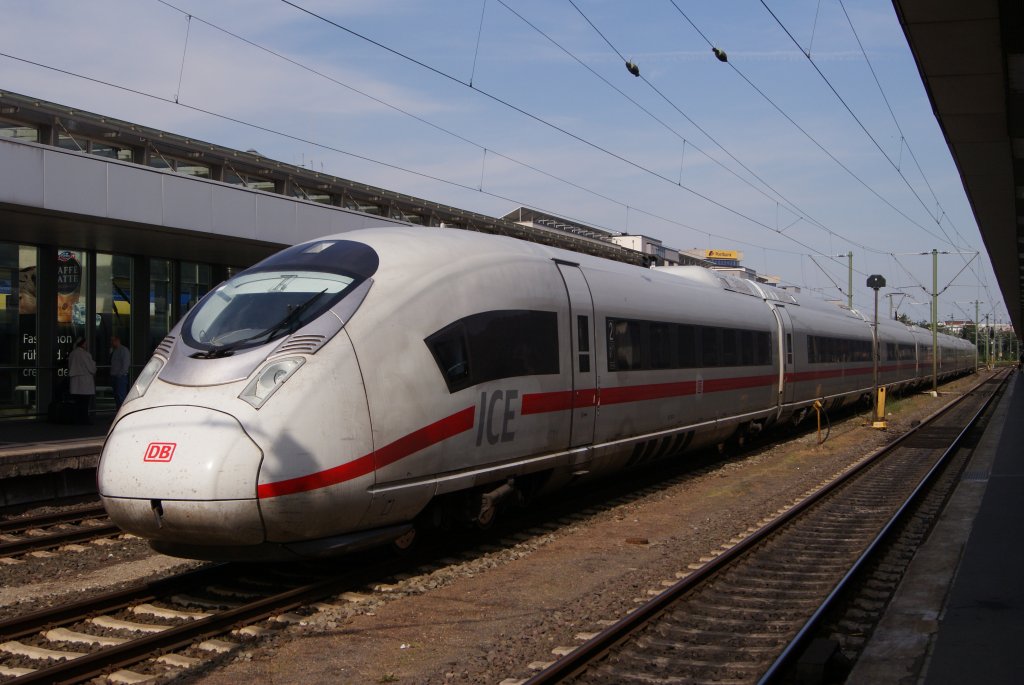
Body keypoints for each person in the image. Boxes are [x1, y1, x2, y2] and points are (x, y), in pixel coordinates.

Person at [68, 337, 96, 425]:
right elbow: (92, 369)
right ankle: (84, 420)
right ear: (83, 344)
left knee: (78, 403)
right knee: (85, 403)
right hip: (85, 381)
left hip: (75, 381)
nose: (86, 345)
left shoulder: (72, 354)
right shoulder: (85, 354)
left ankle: (77, 420)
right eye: (85, 343)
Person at [109, 335, 131, 409]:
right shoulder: (115, 350)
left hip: (120, 377)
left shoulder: (124, 350)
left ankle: (121, 412)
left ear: (117, 340)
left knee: (121, 397)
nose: (111, 342)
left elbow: (125, 364)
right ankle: (118, 412)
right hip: (115, 376)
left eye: (113, 341)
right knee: (117, 397)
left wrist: (120, 374)